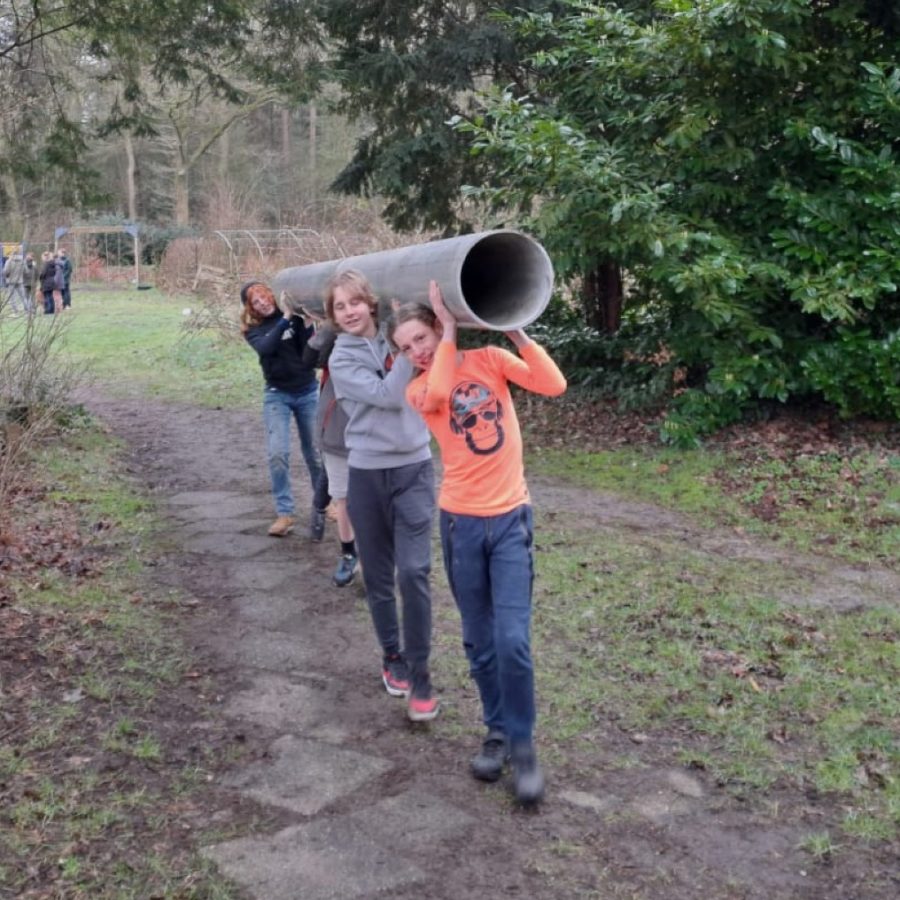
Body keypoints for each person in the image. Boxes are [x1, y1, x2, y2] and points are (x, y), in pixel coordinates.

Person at [389, 281, 567, 804]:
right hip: (461, 525)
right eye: (406, 347)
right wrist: (445, 336)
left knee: (513, 638)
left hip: (511, 519)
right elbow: (443, 394)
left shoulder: (490, 358)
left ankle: (523, 743)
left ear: (438, 325)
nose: (417, 351)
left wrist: (511, 326)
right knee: (479, 639)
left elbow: (553, 385)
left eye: (421, 336)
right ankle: (495, 732)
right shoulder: (419, 389)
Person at [326, 270, 439, 722]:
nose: (349, 311)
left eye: (355, 301)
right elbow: (391, 396)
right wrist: (409, 351)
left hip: (414, 467)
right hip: (368, 474)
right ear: (333, 316)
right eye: (339, 306)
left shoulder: (397, 336)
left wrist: (409, 338)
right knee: (378, 576)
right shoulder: (341, 357)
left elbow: (433, 343)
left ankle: (422, 671)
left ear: (371, 303)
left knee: (414, 571)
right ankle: (393, 656)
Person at [240, 280, 324, 537]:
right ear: (250, 307)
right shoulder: (253, 331)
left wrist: (309, 327)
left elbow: (307, 354)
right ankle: (285, 514)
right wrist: (286, 318)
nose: (263, 302)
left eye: (264, 296)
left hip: (307, 391)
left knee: (315, 453)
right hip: (277, 395)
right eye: (256, 301)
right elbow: (267, 348)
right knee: (278, 454)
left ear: (272, 296)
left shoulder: (295, 320)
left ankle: (325, 503)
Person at [302, 317, 360, 587]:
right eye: (341, 305)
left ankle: (375, 560)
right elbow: (309, 358)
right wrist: (329, 326)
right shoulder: (333, 337)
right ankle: (349, 554)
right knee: (344, 498)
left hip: (374, 434)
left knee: (376, 501)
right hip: (336, 431)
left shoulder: (381, 337)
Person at [2, 249, 27, 315]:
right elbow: (25, 271)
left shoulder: (9, 261)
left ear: (12, 254)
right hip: (20, 281)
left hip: (11, 281)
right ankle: (27, 310)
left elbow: (6, 271)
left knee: (12, 298)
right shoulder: (22, 261)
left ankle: (15, 311)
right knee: (23, 297)